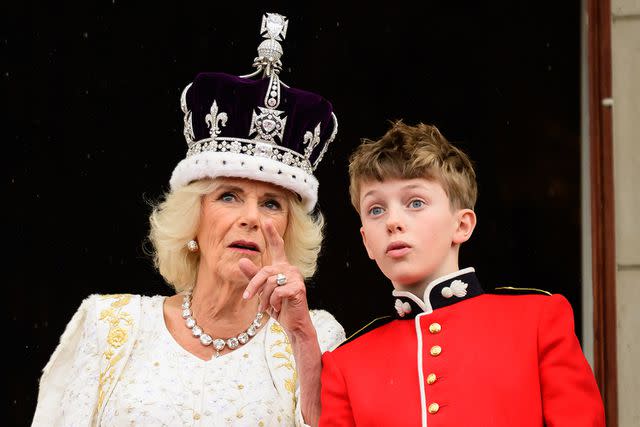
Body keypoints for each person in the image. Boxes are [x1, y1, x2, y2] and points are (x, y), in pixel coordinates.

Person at [32, 12, 345, 427]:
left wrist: (301, 338)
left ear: (290, 229)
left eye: (272, 203)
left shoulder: (315, 335)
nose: (251, 218)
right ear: (193, 217)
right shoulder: (108, 326)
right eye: (229, 196)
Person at [318, 120, 605, 426]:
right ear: (366, 242)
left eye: (415, 202)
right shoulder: (346, 364)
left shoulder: (537, 320)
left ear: (462, 225)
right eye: (376, 209)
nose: (392, 221)